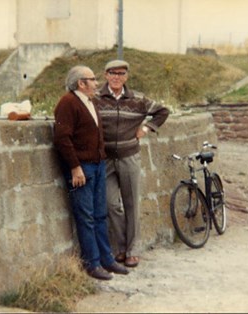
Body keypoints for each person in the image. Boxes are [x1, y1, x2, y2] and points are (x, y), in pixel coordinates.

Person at [53, 65, 129, 280]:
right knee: (86, 216)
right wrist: (75, 167)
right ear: (81, 83)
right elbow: (62, 138)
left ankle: (106, 259)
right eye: (92, 79)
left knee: (100, 214)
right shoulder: (67, 103)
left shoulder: (90, 102)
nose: (97, 83)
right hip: (82, 168)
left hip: (97, 165)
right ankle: (92, 263)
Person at [93, 60, 169, 268]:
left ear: (126, 76)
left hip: (129, 157)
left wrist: (146, 129)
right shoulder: (96, 98)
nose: (116, 77)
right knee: (110, 204)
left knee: (132, 203)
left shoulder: (138, 99)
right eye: (112, 73)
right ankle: (119, 248)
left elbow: (163, 111)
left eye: (121, 73)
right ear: (105, 75)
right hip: (105, 158)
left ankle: (133, 251)